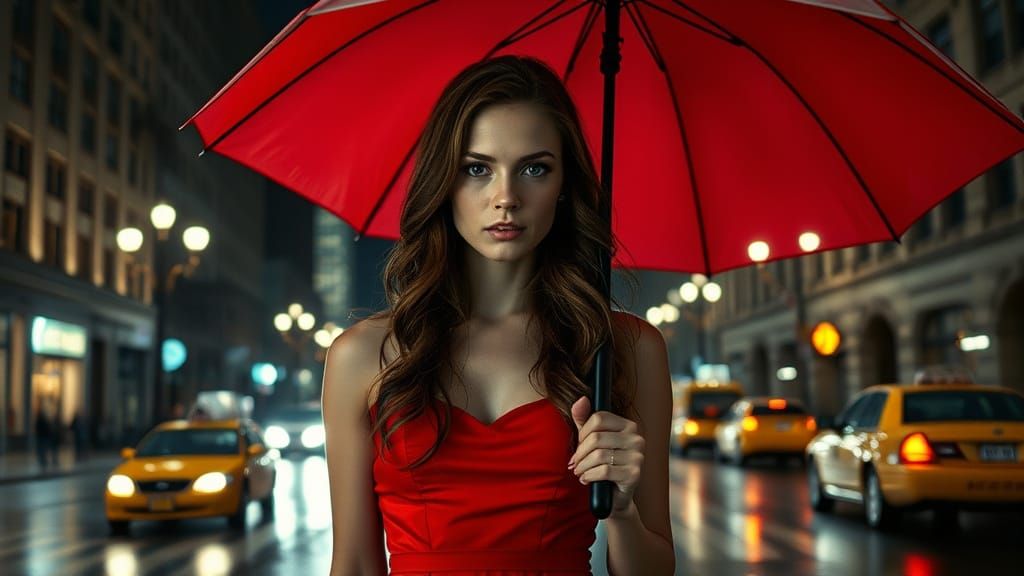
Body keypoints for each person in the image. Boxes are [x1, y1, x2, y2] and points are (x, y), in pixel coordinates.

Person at [322, 56, 675, 575]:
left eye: (534, 169)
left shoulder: (625, 348)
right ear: (444, 180)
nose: (506, 197)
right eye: (477, 169)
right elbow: (353, 564)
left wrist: (622, 512)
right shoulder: (363, 355)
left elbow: (655, 567)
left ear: (564, 185)